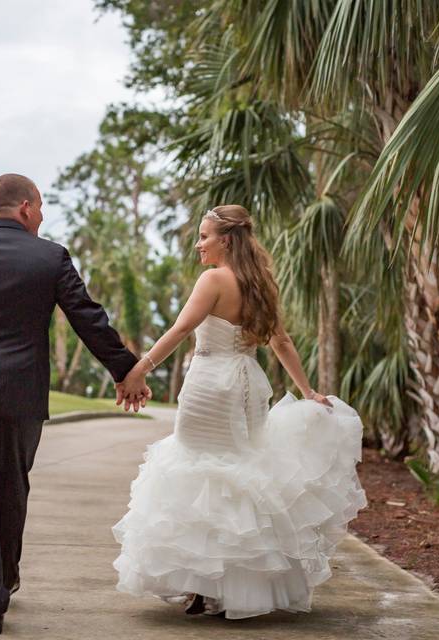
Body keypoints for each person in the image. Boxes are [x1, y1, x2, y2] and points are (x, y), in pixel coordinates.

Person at [0, 173, 150, 635]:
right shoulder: (49, 257)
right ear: (25, 207)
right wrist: (125, 369)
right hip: (20, 397)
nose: (42, 217)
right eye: (40, 207)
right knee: (11, 487)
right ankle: (1, 579)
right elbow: (88, 317)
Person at [111, 204, 367, 619]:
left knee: (197, 470)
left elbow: (180, 331)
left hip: (210, 384)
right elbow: (280, 342)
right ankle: (228, 587)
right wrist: (308, 391)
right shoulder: (260, 282)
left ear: (225, 240)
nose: (199, 244)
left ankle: (200, 588)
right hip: (247, 385)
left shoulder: (212, 279)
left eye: (204, 236)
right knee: (237, 471)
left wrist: (140, 369)